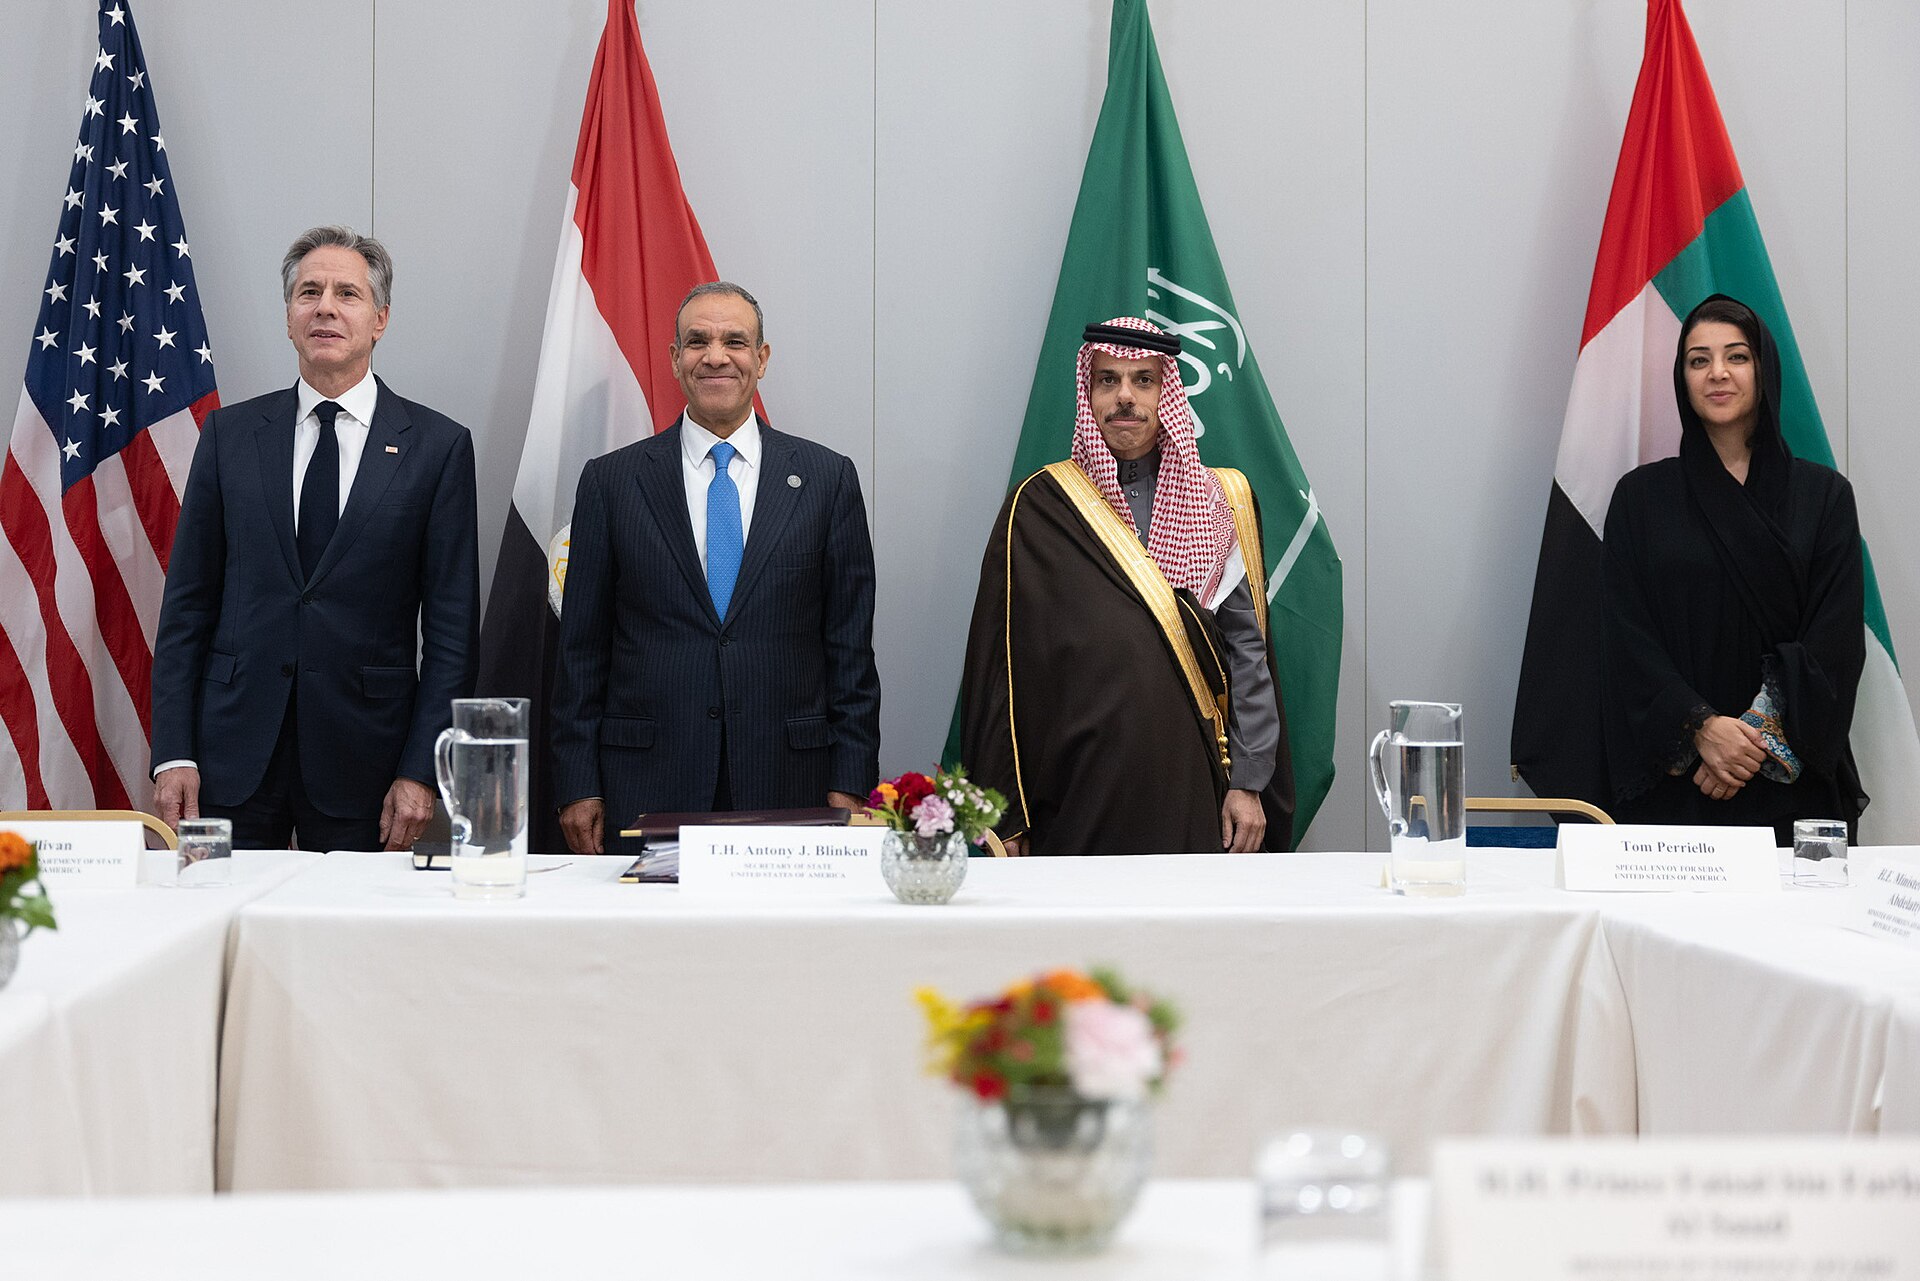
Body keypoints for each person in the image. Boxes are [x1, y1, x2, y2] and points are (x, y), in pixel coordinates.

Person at [151, 226, 479, 851]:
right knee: (221, 929)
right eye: (309, 292)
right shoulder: (230, 437)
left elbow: (451, 634)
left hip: (369, 762)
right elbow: (186, 608)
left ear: (380, 319)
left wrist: (420, 770)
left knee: (354, 942)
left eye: (347, 293)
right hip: (228, 759)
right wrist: (173, 752)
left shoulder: (437, 448)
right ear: (288, 317)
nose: (325, 306)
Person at [549, 282, 881, 855]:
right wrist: (577, 782)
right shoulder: (612, 482)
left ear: (762, 358)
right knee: (654, 942)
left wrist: (850, 781)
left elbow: (850, 651)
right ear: (675, 359)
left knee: (777, 945)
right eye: (697, 341)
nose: (716, 356)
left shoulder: (828, 480)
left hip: (790, 782)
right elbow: (581, 651)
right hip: (647, 781)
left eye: (735, 341)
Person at [960, 317, 1294, 856]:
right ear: (1086, 393)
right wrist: (1006, 811)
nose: (1125, 398)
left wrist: (1249, 783)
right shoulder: (1040, 507)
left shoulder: (1215, 503)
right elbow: (999, 671)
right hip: (1073, 786)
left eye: (1143, 380)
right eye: (1107, 379)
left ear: (1168, 392)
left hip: (1188, 777)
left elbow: (1246, 658)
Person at [1602, 294, 1866, 844]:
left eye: (1737, 356)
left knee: (1805, 930)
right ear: (1682, 378)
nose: (1717, 373)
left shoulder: (1824, 497)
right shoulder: (1640, 499)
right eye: (1698, 360)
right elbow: (1625, 636)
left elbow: (1835, 641)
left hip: (1795, 783)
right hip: (1677, 782)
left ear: (1764, 369)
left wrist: (1750, 738)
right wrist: (1699, 727)